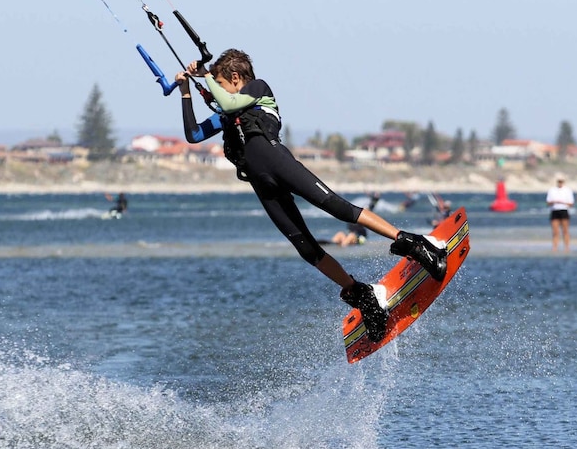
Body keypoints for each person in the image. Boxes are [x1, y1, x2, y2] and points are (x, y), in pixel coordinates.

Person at [174, 49, 447, 342]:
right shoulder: (229, 116)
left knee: (338, 208)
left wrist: (205, 76)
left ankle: (414, 244)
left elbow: (227, 101)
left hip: (279, 164)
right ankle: (363, 295)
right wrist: (186, 91)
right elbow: (194, 134)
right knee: (305, 248)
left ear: (236, 78)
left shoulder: (257, 88)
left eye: (220, 82)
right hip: (261, 183)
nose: (217, 88)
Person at [545, 174, 574, 252]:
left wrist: (563, 203)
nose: (560, 182)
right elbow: (548, 202)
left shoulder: (567, 190)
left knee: (565, 230)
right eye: (559, 181)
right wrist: (554, 202)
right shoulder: (552, 190)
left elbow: (571, 203)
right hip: (554, 211)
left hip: (564, 210)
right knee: (555, 231)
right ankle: (555, 248)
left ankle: (567, 247)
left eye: (561, 181)